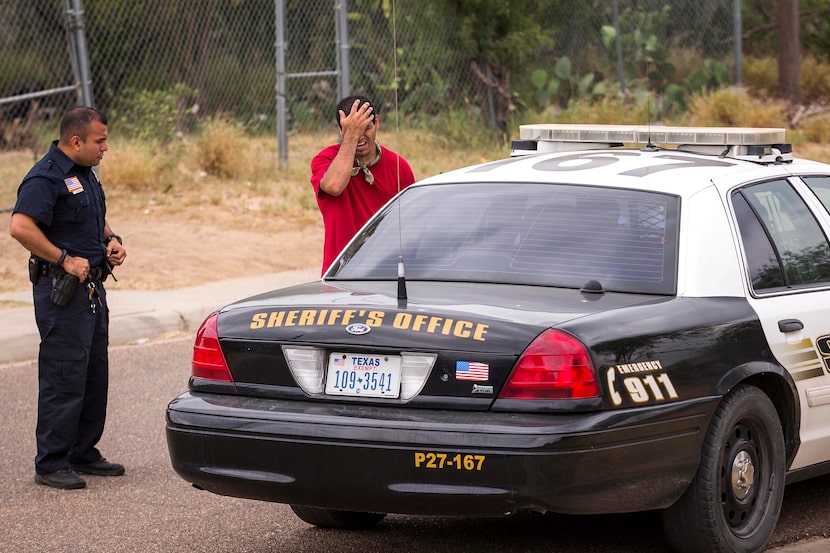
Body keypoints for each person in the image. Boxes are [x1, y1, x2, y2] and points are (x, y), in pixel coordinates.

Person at [9, 106, 127, 490]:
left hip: (91, 287)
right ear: (75, 141)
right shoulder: (45, 176)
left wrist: (111, 240)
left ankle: (81, 451)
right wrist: (63, 258)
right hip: (61, 291)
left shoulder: (84, 174)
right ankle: (51, 461)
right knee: (64, 374)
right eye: (99, 141)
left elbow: (94, 216)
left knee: (93, 372)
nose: (105, 147)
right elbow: (20, 226)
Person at [310, 95, 416, 274]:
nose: (360, 136)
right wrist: (351, 136)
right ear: (341, 130)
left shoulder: (399, 166)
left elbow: (412, 226)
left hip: (385, 273)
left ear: (377, 123)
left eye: (366, 127)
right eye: (352, 130)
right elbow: (334, 186)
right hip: (341, 275)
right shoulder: (326, 159)